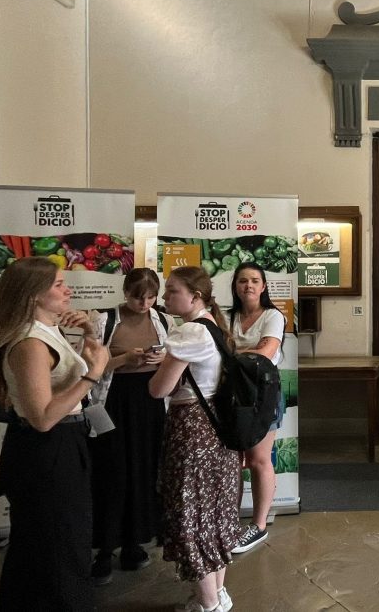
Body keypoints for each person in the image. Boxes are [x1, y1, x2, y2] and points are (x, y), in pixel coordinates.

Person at [0, 257, 109, 610]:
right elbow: (43, 416)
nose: (67, 289)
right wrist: (94, 372)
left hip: (60, 445)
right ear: (32, 295)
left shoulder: (46, 331)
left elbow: (67, 382)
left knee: (52, 542)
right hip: (48, 448)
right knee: (56, 546)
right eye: (59, 284)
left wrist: (90, 340)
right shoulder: (29, 343)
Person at [149, 267, 238, 612]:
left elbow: (159, 389)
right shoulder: (214, 327)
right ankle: (217, 595)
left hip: (192, 430)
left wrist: (163, 364)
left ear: (195, 296)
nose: (165, 297)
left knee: (189, 513)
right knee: (214, 514)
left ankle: (208, 603)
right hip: (218, 429)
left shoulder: (189, 332)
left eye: (172, 291)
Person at [89, 268, 174, 584]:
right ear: (126, 292)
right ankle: (104, 550)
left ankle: (133, 542)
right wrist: (124, 359)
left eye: (151, 297)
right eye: (138, 296)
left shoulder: (162, 320)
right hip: (113, 403)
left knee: (144, 471)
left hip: (150, 402)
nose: (144, 302)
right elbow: (90, 368)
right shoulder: (105, 321)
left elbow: (172, 359)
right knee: (112, 473)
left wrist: (158, 360)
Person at [228, 262, 286, 554]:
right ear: (235, 287)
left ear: (264, 286)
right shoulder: (228, 317)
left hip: (264, 395)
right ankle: (229, 521)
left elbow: (266, 353)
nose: (248, 286)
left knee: (259, 459)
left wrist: (231, 354)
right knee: (234, 460)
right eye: (242, 281)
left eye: (254, 281)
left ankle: (259, 526)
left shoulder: (273, 316)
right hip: (233, 396)